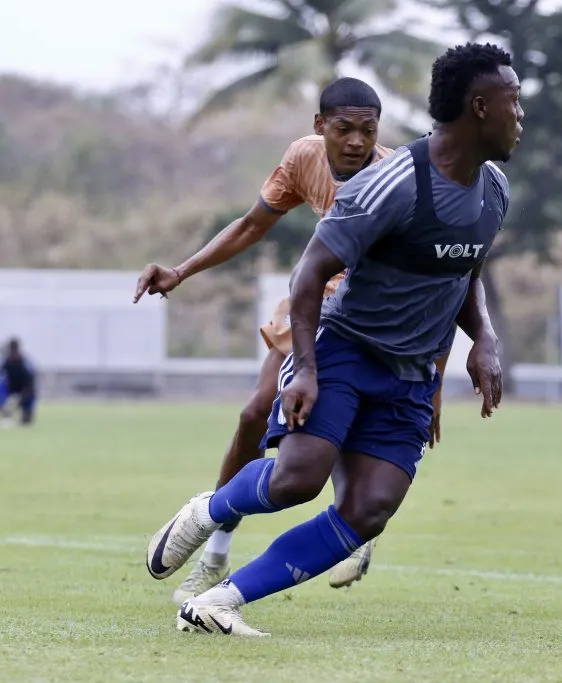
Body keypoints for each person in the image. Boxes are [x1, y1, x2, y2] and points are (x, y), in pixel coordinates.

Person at [145, 42, 522, 637]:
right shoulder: (393, 183)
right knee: (297, 478)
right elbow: (307, 276)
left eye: (364, 130)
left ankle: (219, 601)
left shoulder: (495, 190)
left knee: (369, 510)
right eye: (513, 102)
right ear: (479, 108)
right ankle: (208, 513)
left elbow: (464, 272)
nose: (520, 116)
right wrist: (311, 371)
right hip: (343, 345)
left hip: (412, 372)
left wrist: (486, 340)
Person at [133, 78, 445, 602]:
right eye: (343, 129)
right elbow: (253, 225)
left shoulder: (397, 180)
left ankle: (351, 524)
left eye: (367, 131)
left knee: (336, 429)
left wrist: (433, 387)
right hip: (310, 306)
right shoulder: (303, 158)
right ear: (319, 126)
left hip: (371, 323)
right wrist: (182, 271)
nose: (355, 142)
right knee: (256, 411)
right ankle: (213, 544)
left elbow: (440, 286)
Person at [0, 338, 36, 427]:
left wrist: (20, 400)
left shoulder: (25, 364)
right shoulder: (4, 363)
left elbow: (30, 385)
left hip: (24, 392)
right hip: (9, 391)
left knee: (26, 421)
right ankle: (4, 412)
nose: (13, 354)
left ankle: (26, 412)